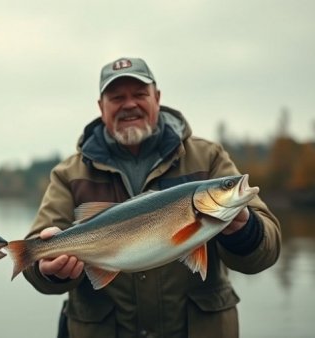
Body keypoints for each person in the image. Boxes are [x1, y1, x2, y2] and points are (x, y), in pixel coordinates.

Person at [22, 57, 282, 338]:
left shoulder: (209, 158)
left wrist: (244, 231)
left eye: (139, 94)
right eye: (117, 97)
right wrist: (46, 269)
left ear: (157, 97)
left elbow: (267, 248)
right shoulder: (68, 173)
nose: (129, 104)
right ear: (101, 107)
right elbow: (34, 254)